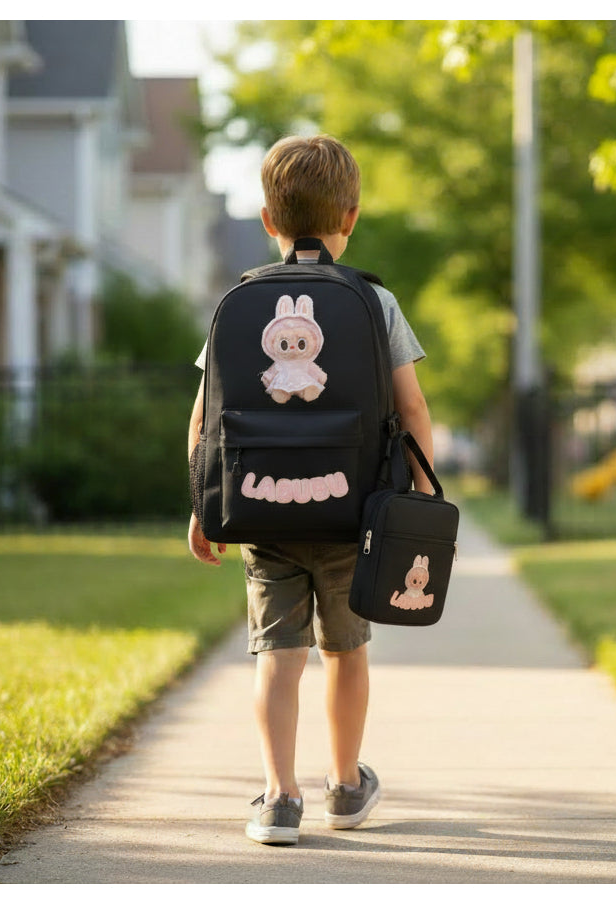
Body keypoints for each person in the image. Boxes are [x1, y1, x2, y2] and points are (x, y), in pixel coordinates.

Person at [186, 135, 435, 846]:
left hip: (260, 516)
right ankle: (348, 784)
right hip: (352, 516)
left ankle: (277, 797)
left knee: (276, 655)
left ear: (268, 218)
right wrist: (419, 496)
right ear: (350, 216)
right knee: (346, 650)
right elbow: (412, 409)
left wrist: (202, 505)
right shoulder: (374, 300)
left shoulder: (237, 301)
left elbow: (204, 415)